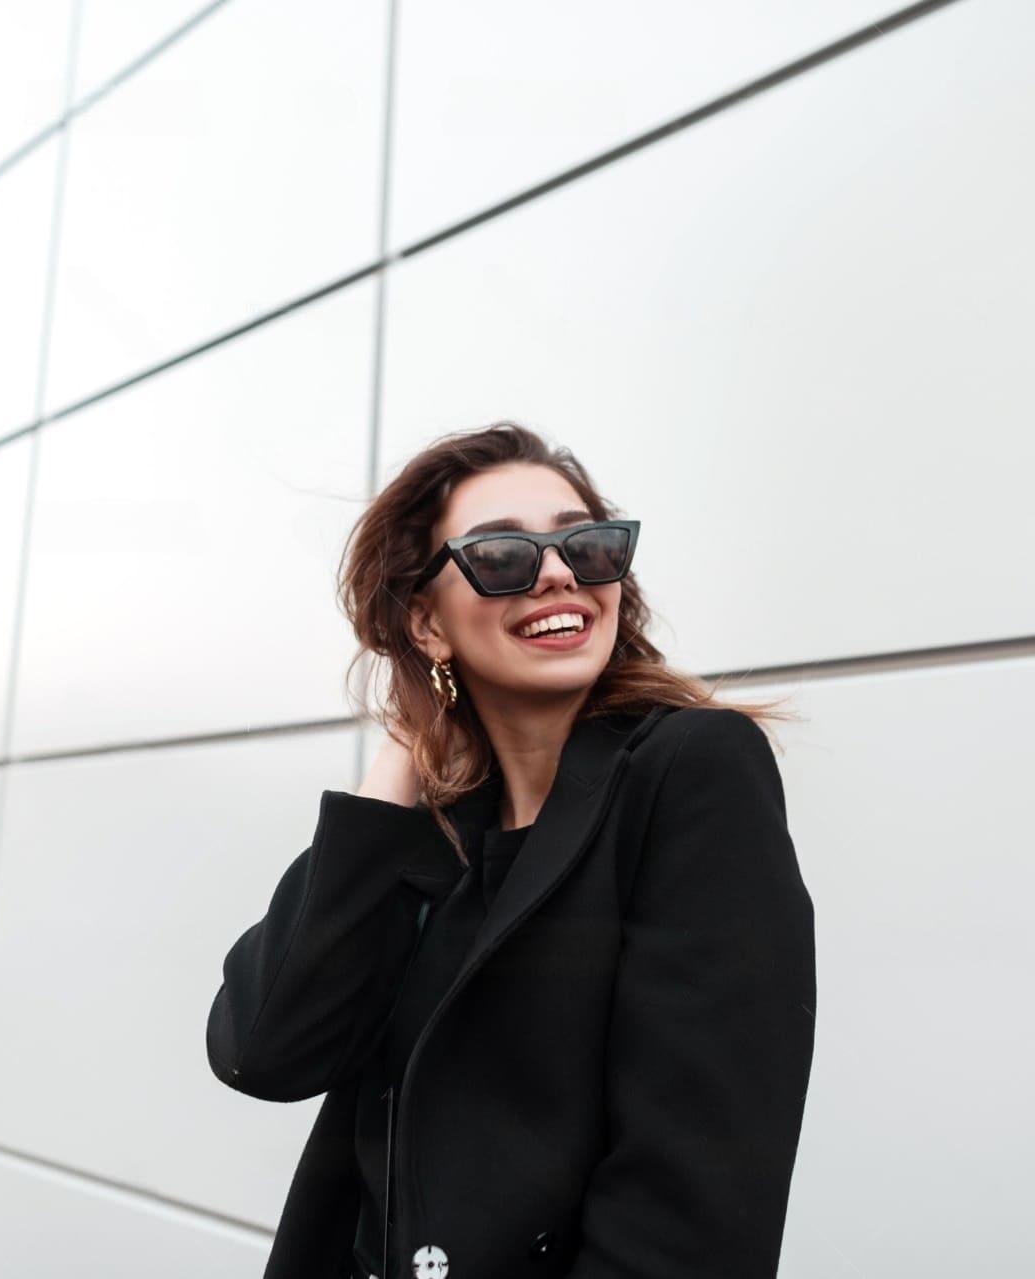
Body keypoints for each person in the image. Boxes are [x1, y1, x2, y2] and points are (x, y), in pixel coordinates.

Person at [205, 421, 817, 1278]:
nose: (560, 573)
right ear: (427, 622)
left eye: (588, 546)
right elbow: (266, 1049)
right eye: (501, 556)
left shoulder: (692, 769)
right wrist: (403, 756)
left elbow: (693, 1203)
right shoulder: (435, 831)